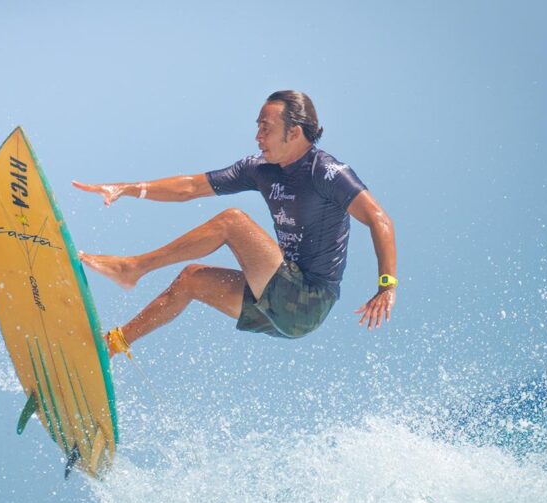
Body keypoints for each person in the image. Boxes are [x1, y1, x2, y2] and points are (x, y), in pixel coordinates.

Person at [73, 90, 397, 358]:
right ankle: (114, 344)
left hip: (308, 300)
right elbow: (191, 187)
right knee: (191, 279)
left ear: (294, 132)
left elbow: (379, 218)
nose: (257, 137)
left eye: (266, 128)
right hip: (277, 304)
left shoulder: (326, 172)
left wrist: (387, 285)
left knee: (232, 221)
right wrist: (128, 188)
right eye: (258, 127)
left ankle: (132, 268)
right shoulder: (260, 169)